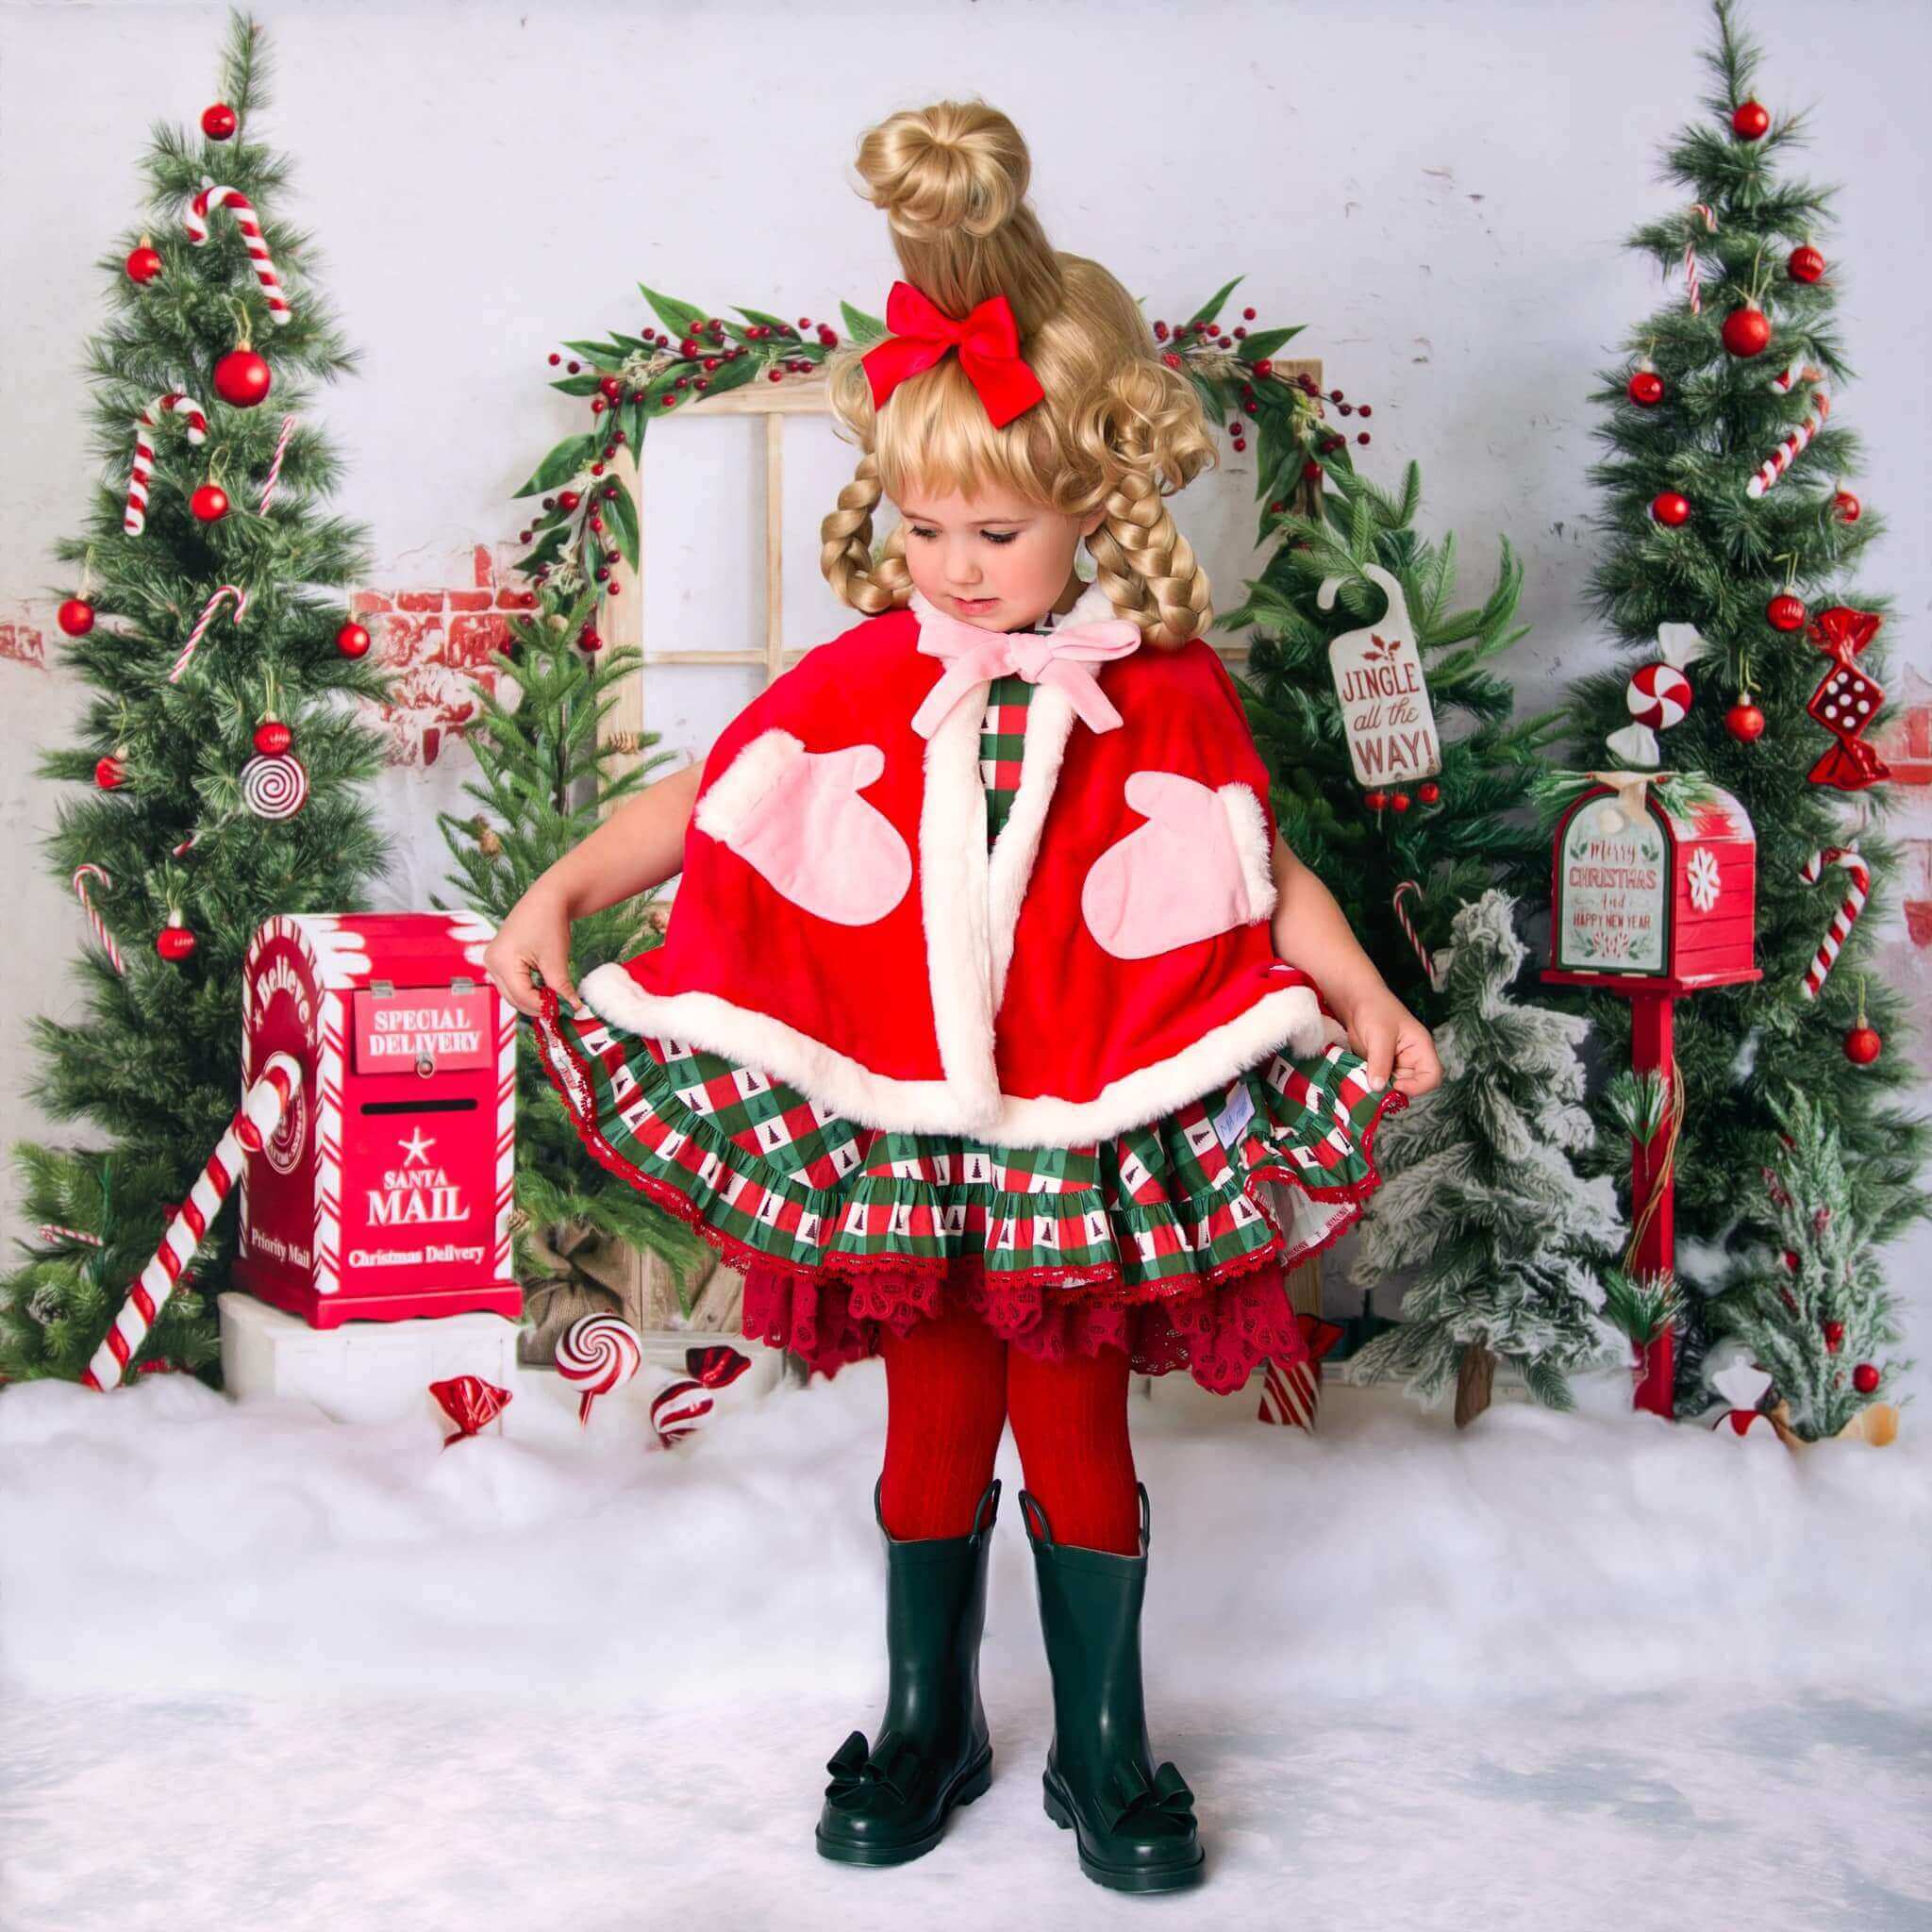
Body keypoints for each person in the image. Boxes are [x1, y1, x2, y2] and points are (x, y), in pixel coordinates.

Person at [484, 97, 1441, 1894]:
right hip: (912, 1134)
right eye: (926, 527)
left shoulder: (1163, 695)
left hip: (1081, 1125)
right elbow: (716, 797)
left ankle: (1101, 1740)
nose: (956, 566)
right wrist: (563, 887)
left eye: (995, 529)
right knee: (935, 1423)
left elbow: (1255, 874)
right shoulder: (865, 669)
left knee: (1074, 1428)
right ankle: (928, 1710)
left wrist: (1366, 992)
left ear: (1093, 501)